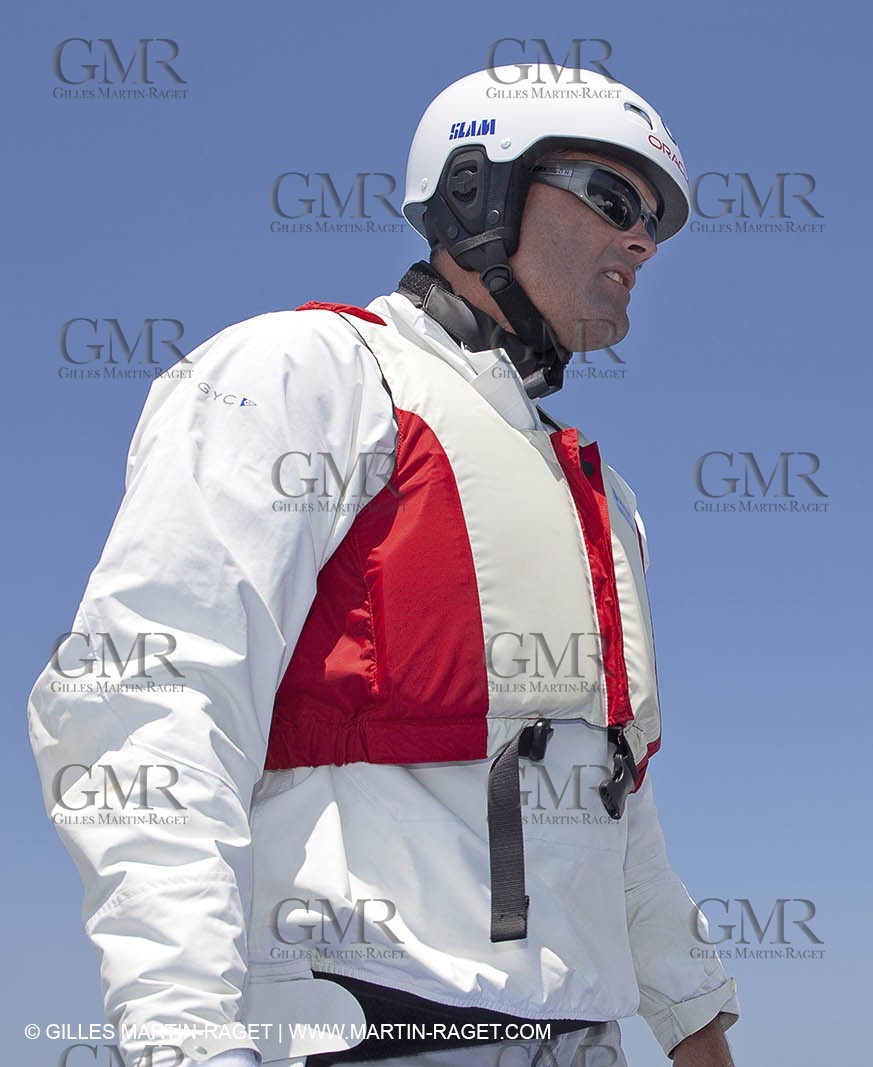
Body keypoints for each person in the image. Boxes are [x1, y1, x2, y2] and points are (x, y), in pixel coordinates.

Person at [29, 65, 737, 1067]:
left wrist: (693, 1021)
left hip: (584, 1041)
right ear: (473, 193)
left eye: (654, 222)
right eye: (613, 198)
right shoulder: (302, 376)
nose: (641, 240)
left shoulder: (600, 496)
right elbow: (146, 699)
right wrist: (183, 1036)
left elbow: (617, 806)